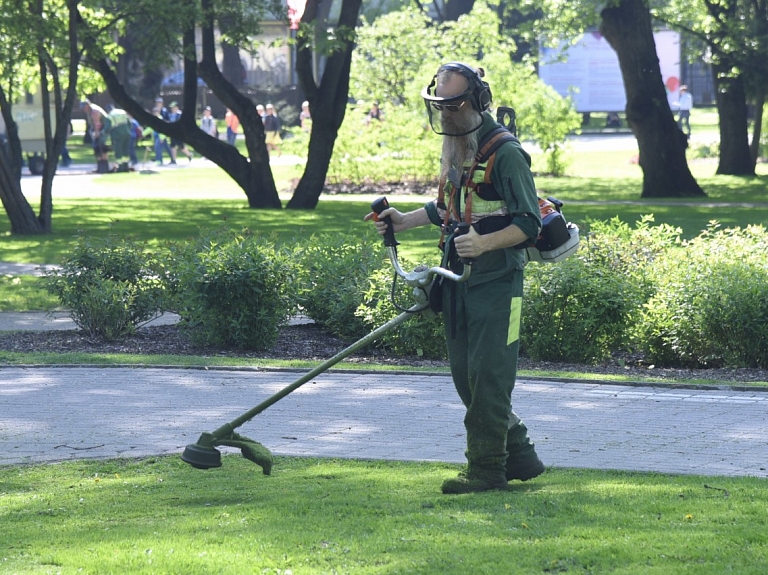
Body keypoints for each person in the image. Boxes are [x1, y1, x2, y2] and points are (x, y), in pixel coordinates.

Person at [365, 62, 545, 495]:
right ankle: (519, 454)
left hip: (498, 283)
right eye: (438, 107)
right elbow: (450, 206)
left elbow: (530, 223)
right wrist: (403, 220)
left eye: (453, 106)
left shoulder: (506, 154)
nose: (444, 116)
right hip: (457, 279)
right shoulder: (457, 146)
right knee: (467, 376)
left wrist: (484, 244)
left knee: (490, 378)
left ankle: (485, 471)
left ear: (476, 103)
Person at [81, 99, 111, 173]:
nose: (83, 109)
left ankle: (104, 167)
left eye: (84, 107)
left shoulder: (94, 111)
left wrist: (97, 133)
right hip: (99, 129)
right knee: (97, 147)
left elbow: (97, 124)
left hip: (103, 129)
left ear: (88, 105)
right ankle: (100, 166)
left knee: (101, 146)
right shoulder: (89, 111)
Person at [106, 105, 132, 172]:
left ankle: (120, 168)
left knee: (119, 152)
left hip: (118, 135)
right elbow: (129, 123)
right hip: (127, 134)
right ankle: (126, 167)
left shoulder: (110, 115)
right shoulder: (122, 112)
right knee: (125, 152)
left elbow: (107, 127)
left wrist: (103, 133)